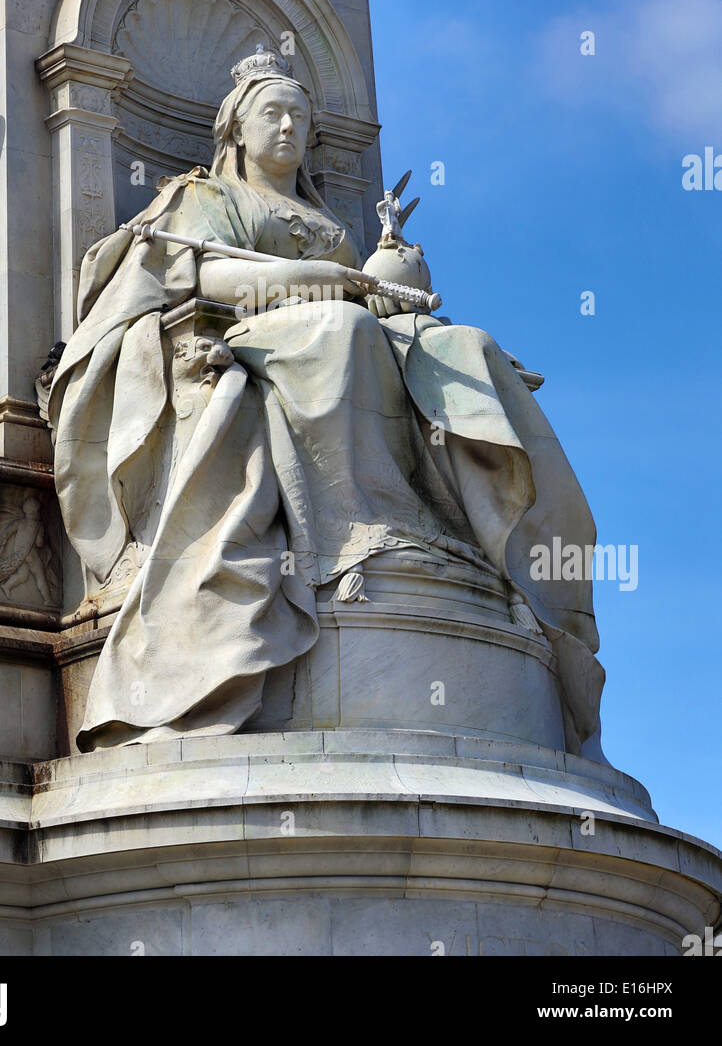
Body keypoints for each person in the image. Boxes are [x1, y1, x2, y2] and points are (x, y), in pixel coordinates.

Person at [50, 50, 605, 758]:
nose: (287, 128)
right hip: (251, 331)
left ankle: (471, 536)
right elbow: (203, 276)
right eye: (271, 115)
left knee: (467, 348)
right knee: (340, 331)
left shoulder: (322, 215)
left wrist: (390, 276)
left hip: (333, 329)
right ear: (237, 130)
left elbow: (368, 292)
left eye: (299, 117)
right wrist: (311, 281)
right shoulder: (207, 198)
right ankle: (357, 529)